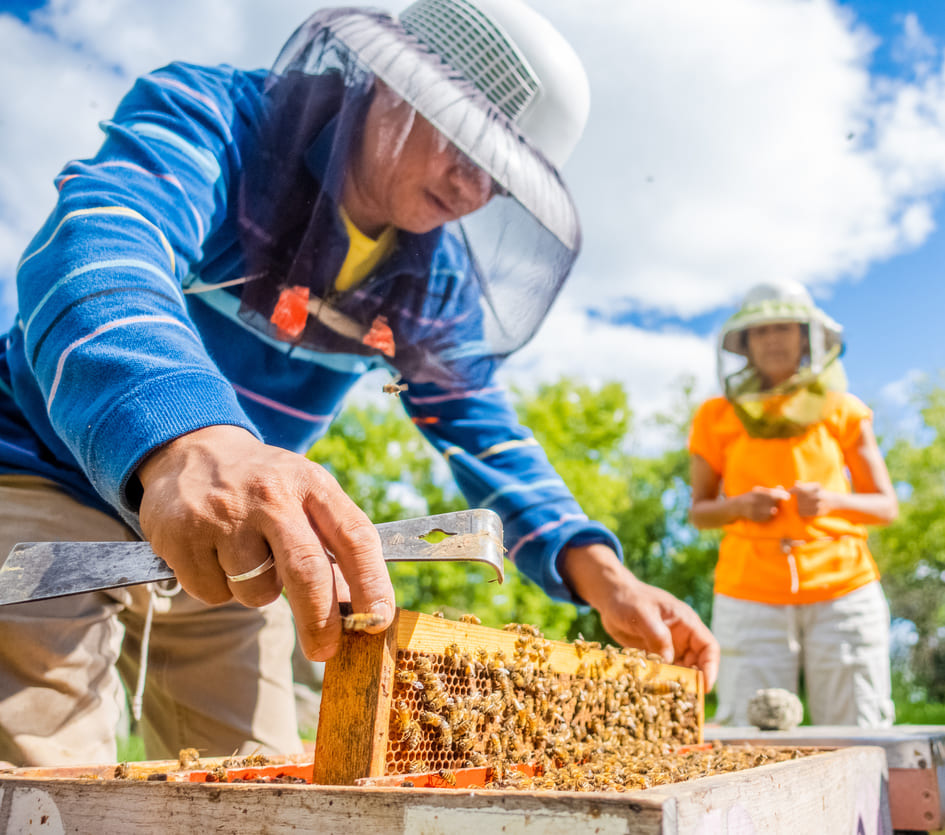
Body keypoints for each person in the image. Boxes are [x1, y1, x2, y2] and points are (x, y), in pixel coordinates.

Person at [0, 0, 718, 767]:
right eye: (466, 141)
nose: (473, 186)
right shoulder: (219, 119)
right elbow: (100, 247)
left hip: (244, 531)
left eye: (499, 176)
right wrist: (189, 437)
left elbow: (481, 422)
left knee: (250, 784)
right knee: (44, 775)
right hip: (48, 471)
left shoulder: (432, 280)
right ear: (389, 80)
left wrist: (602, 575)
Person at [688, 280, 898, 727]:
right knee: (752, 730)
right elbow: (699, 511)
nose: (773, 339)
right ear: (744, 344)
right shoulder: (715, 416)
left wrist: (830, 502)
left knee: (858, 729)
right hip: (749, 595)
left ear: (806, 336)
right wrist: (740, 506)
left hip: (844, 592)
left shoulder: (844, 409)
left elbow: (885, 506)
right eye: (760, 331)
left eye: (784, 327)